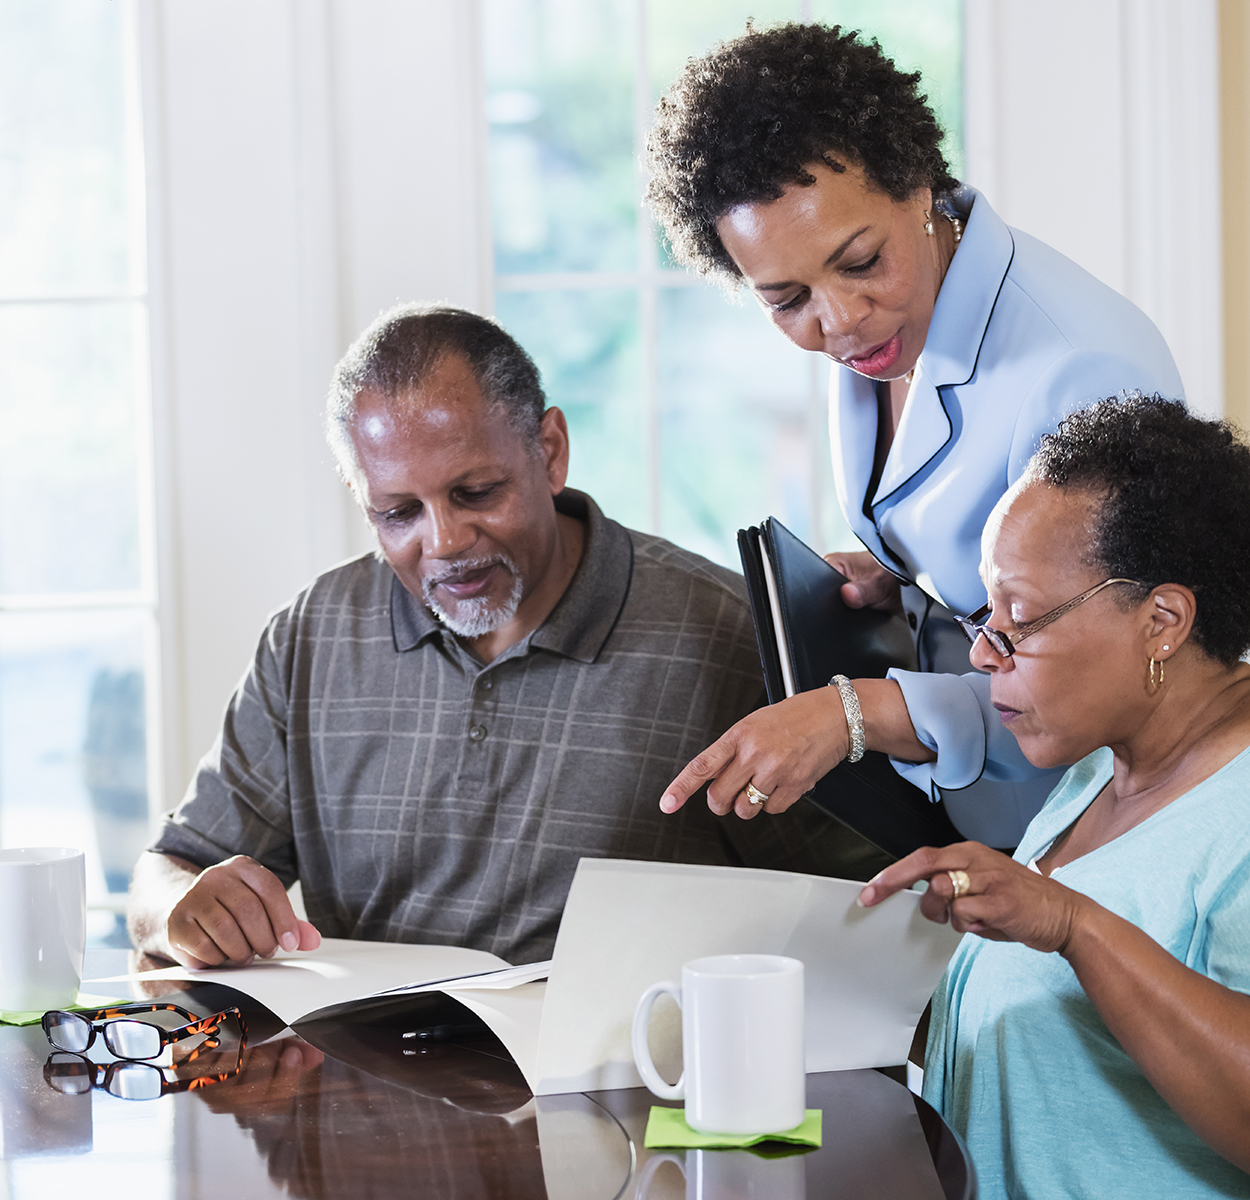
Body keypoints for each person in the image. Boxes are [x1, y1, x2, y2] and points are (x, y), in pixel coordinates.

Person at [127, 305, 838, 969]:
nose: (444, 542)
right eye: (399, 513)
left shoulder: (727, 632)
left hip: (632, 1060)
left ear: (550, 451)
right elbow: (168, 872)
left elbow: (854, 910)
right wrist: (180, 911)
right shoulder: (312, 637)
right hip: (359, 1062)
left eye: (476, 493)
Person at [647, 23, 1183, 846]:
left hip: (1089, 829)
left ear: (919, 186)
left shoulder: (1082, 369)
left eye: (861, 261)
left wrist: (854, 716)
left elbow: (1108, 681)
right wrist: (910, 576)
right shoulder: (889, 325)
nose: (839, 320)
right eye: (786, 299)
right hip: (971, 813)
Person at [860, 396, 1250, 1197]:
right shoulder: (1100, 766)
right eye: (985, 613)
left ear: (1163, 620)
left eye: (1022, 619)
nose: (983, 653)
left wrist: (1073, 925)